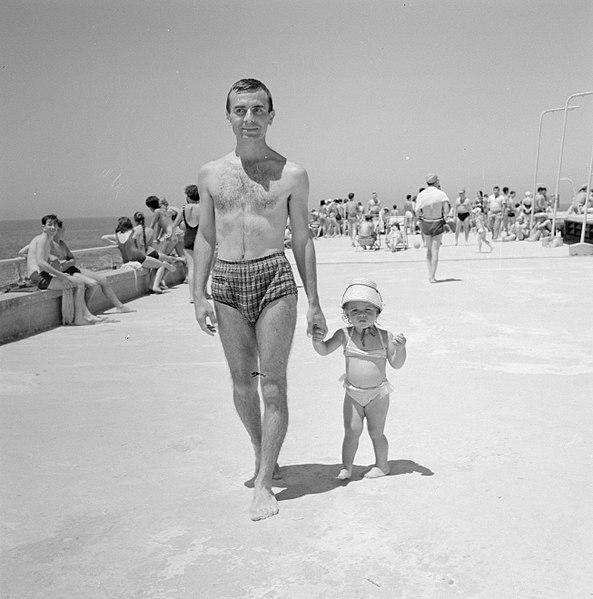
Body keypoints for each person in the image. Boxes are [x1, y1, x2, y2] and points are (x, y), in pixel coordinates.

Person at [192, 78, 327, 521]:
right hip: (227, 282)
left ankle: (265, 482)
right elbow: (207, 237)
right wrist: (198, 293)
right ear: (228, 116)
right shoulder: (211, 174)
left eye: (258, 109)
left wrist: (315, 302)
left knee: (272, 383)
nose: (249, 118)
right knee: (241, 384)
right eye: (240, 110)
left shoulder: (292, 174)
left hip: (273, 278)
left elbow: (303, 239)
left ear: (271, 115)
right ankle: (261, 449)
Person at [312, 279, 407, 480]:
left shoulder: (385, 337)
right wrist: (317, 341)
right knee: (351, 431)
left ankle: (382, 466)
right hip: (353, 395)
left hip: (378, 395)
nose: (361, 314)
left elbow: (397, 364)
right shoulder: (344, 335)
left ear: (378, 312)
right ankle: (347, 467)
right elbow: (324, 350)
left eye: (368, 309)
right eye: (354, 311)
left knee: (376, 432)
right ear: (346, 314)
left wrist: (400, 349)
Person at [20, 219, 135, 314]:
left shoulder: (61, 243)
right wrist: (49, 257)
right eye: (62, 229)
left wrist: (67, 262)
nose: (63, 230)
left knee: (103, 279)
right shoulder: (45, 242)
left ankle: (119, 306)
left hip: (71, 268)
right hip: (65, 272)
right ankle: (85, 310)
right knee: (92, 284)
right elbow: (23, 252)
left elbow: (73, 259)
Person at [24, 214, 92, 325]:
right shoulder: (43, 239)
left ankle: (79, 316)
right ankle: (79, 318)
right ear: (43, 227)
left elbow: (24, 253)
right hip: (39, 277)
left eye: (55, 224)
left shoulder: (41, 238)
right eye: (49, 224)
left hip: (37, 275)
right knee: (79, 283)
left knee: (74, 282)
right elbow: (41, 262)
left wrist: (49, 258)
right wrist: (61, 275)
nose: (53, 227)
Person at [101, 217, 177, 294]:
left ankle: (151, 285)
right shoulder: (133, 232)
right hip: (138, 257)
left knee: (154, 265)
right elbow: (140, 245)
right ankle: (156, 286)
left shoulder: (117, 235)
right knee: (161, 265)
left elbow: (103, 237)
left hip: (126, 260)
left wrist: (117, 244)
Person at [415, 173, 450, 283]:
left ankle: (430, 274)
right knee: (435, 250)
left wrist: (421, 217)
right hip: (437, 222)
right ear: (436, 182)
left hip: (426, 222)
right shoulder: (441, 194)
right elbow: (446, 210)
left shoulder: (421, 194)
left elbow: (417, 211)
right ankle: (432, 276)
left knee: (429, 250)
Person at [172, 185, 202, 303]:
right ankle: (203, 293)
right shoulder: (203, 208)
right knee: (202, 268)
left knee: (192, 268)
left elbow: (174, 225)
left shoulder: (183, 208)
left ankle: (192, 296)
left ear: (188, 197)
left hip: (188, 238)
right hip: (201, 239)